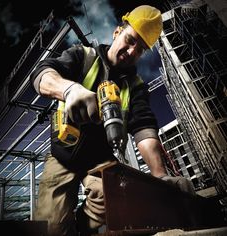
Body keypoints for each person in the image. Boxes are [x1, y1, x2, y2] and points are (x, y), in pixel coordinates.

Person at [30, 5, 195, 236]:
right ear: (117, 32)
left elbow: (144, 129)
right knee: (50, 229)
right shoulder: (83, 57)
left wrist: (160, 176)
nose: (130, 51)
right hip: (62, 155)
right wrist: (69, 90)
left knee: (117, 200)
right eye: (130, 40)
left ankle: (81, 227)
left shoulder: (135, 87)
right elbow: (42, 73)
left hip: (99, 158)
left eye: (139, 49)